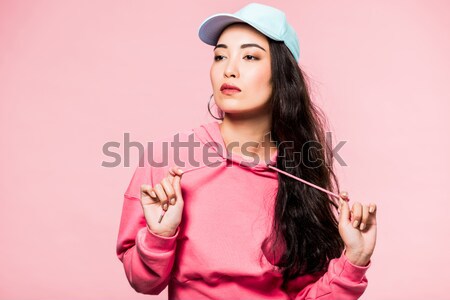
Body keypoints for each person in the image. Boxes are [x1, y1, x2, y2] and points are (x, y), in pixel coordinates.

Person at [116, 3, 377, 299]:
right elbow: (144, 283)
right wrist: (160, 235)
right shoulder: (167, 159)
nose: (229, 69)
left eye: (250, 56)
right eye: (220, 56)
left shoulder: (299, 173)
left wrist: (354, 260)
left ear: (281, 75)